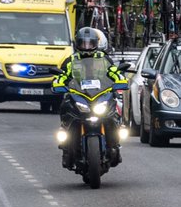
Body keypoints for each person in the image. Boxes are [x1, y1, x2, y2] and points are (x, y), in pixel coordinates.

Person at [52, 27, 128, 169]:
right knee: (65, 105)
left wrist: (121, 81)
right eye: (83, 43)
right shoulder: (71, 60)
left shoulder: (103, 58)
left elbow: (113, 72)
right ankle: (67, 144)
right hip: (79, 95)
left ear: (95, 43)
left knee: (113, 110)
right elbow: (62, 75)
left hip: (100, 95)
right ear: (77, 43)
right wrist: (58, 84)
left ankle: (114, 143)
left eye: (90, 43)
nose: (86, 47)